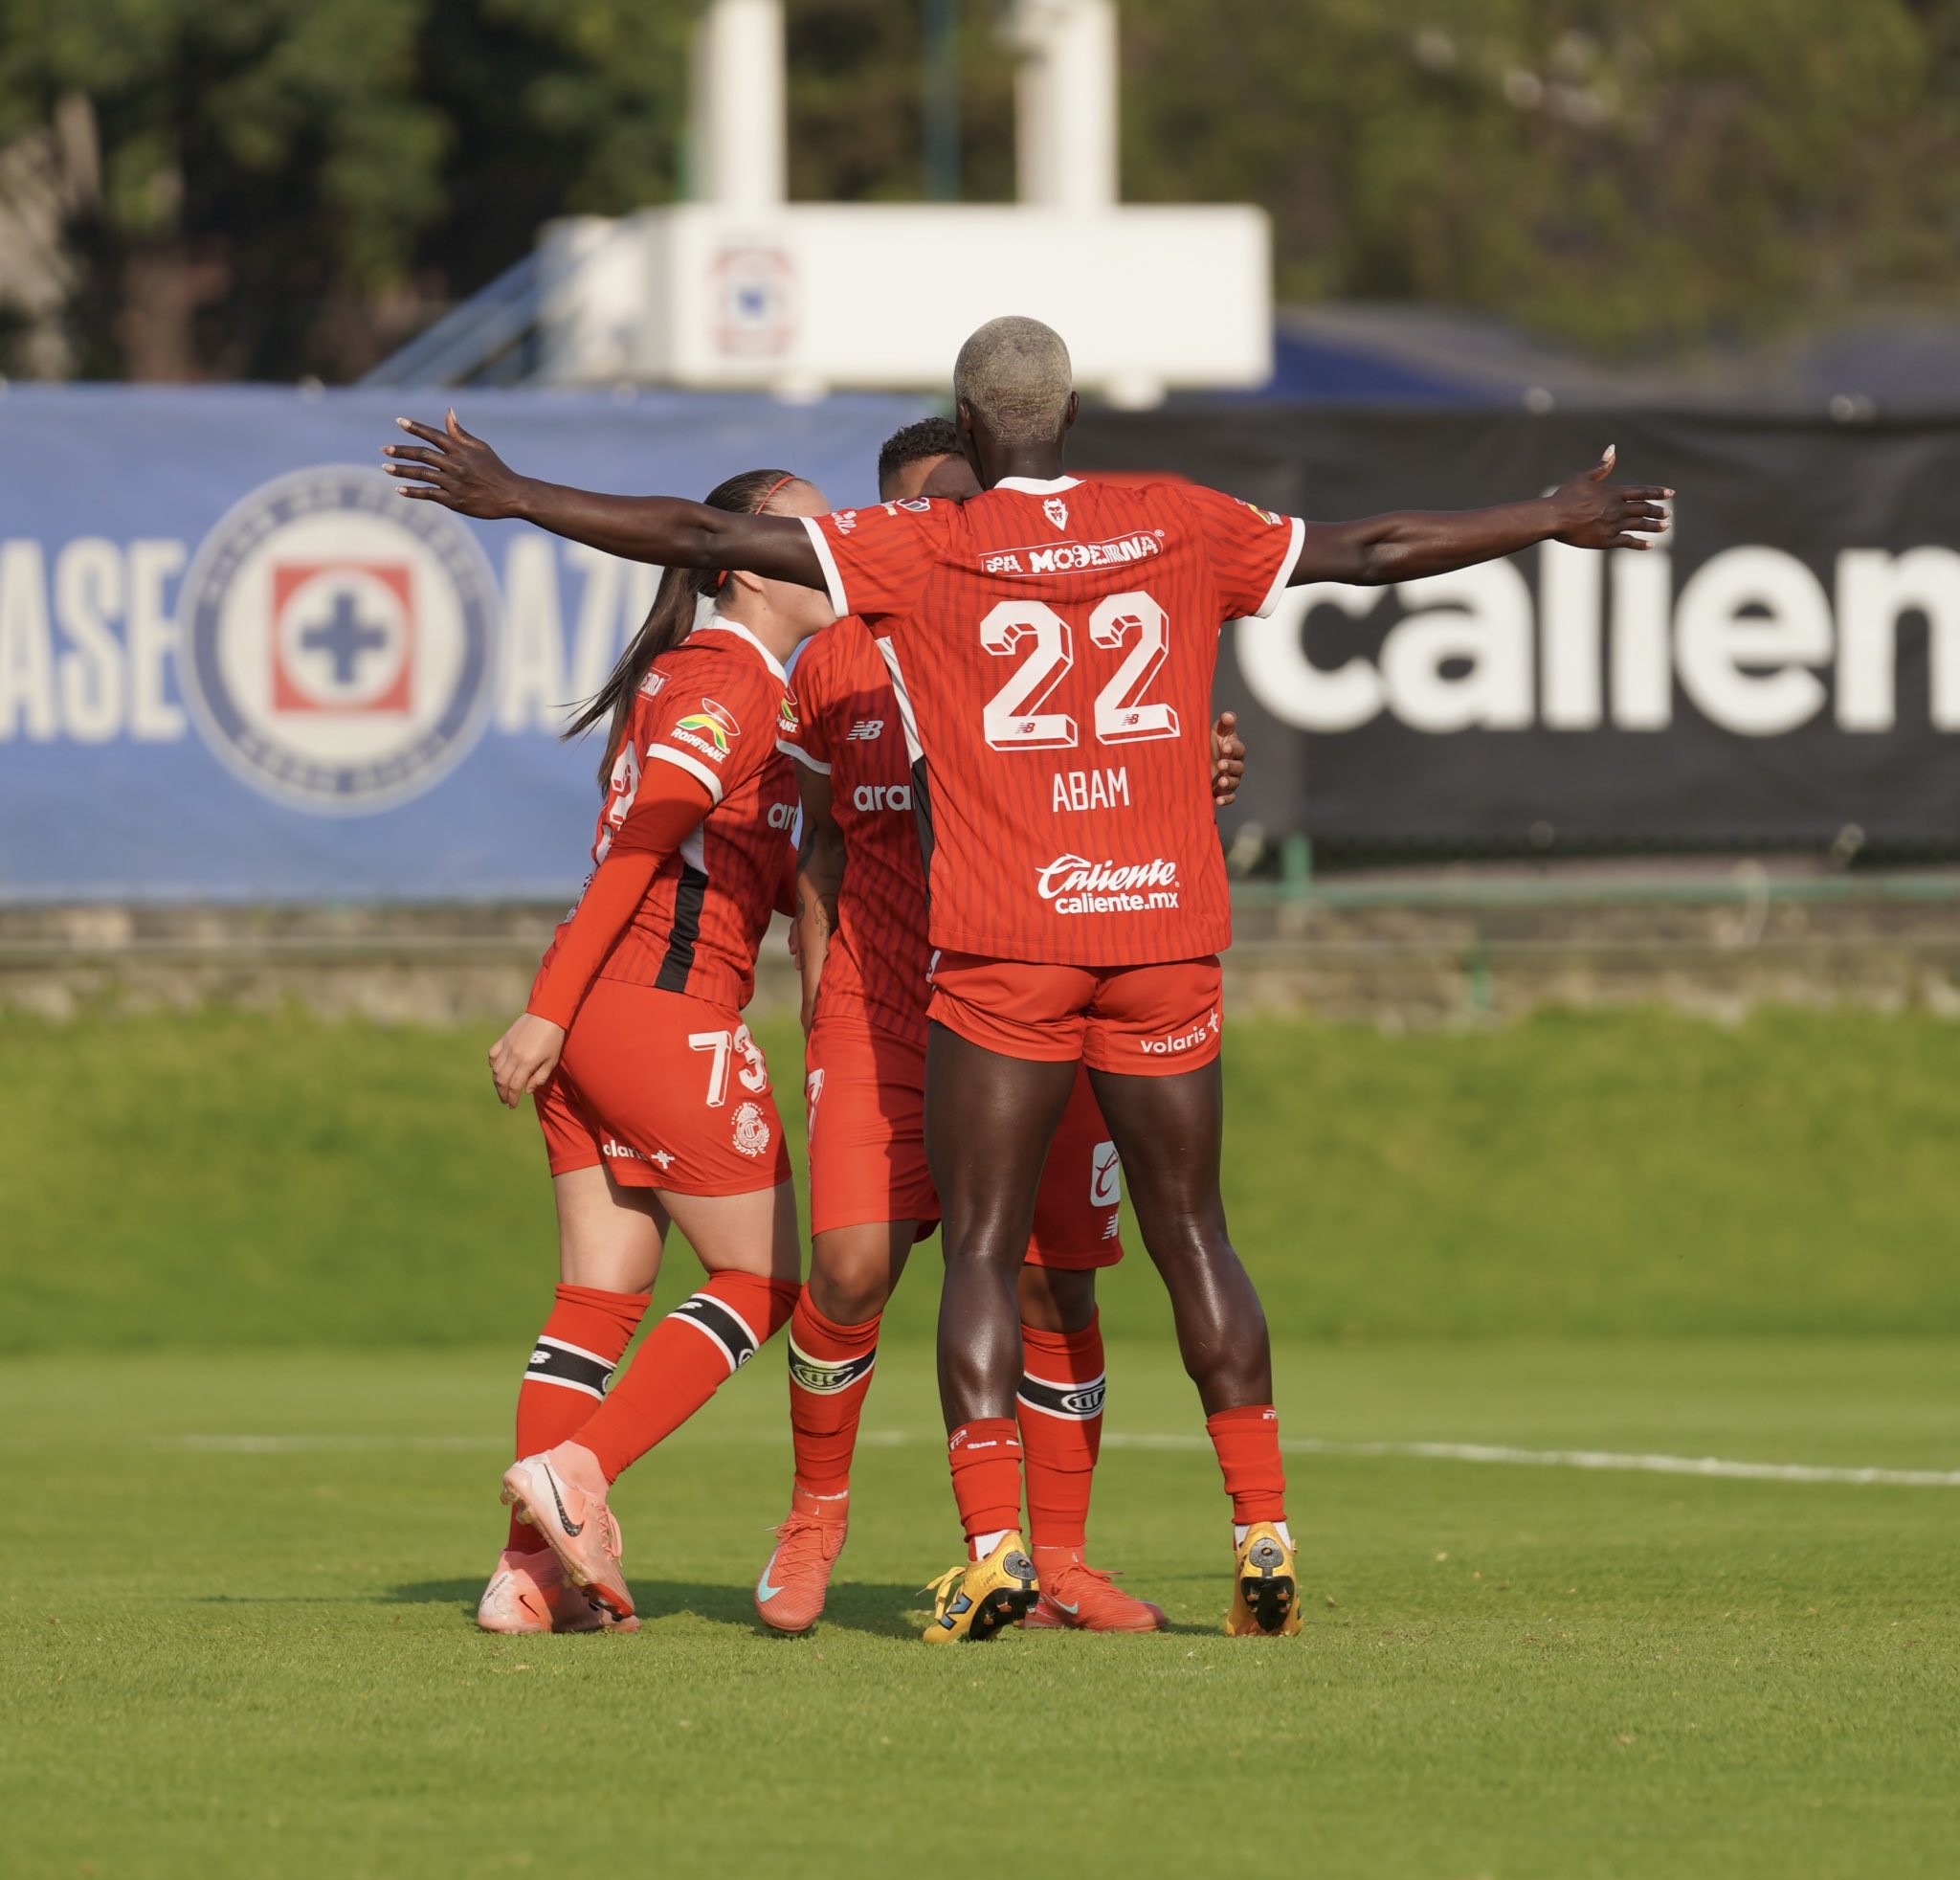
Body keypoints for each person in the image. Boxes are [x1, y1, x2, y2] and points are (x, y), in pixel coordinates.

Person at [384, 338, 1670, 1642]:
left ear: (974, 456)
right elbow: (1374, 547)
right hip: (1049, 962)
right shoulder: (1096, 544)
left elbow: (694, 532)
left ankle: (1030, 1555)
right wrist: (1554, 514)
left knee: (1031, 1266)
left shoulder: (930, 563)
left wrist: (519, 493)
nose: (929, 519)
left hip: (1013, 960)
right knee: (929, 1260)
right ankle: (891, 1525)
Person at [759, 415, 1244, 1636]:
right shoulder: (832, 665)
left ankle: (1055, 1559)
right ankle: (814, 1517)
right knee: (854, 1266)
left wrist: (1199, 770)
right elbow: (819, 840)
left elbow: (1126, 773)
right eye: (935, 511)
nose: (972, 535)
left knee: (1050, 1280)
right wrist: (815, 988)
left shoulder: (1040, 622)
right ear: (880, 527)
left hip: (1042, 975)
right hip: (884, 1007)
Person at [473, 467, 828, 1633]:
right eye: (802, 523)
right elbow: (640, 849)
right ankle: (585, 1472)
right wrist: (546, 1005)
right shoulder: (726, 681)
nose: (827, 542)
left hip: (606, 1017)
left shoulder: (739, 686)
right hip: (652, 1010)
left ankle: (528, 1579)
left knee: (597, 1293)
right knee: (767, 1276)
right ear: (738, 562)